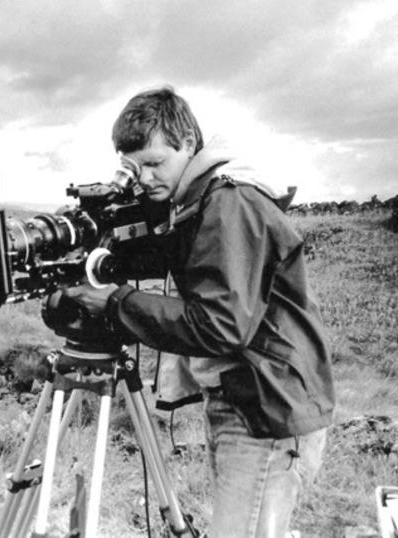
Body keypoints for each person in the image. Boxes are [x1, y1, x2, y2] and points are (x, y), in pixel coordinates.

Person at [63, 86, 335, 537]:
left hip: (267, 411)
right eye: (135, 167)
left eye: (154, 163)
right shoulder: (197, 201)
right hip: (248, 400)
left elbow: (221, 325)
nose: (145, 178)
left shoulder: (229, 204)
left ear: (188, 143)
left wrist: (116, 302)